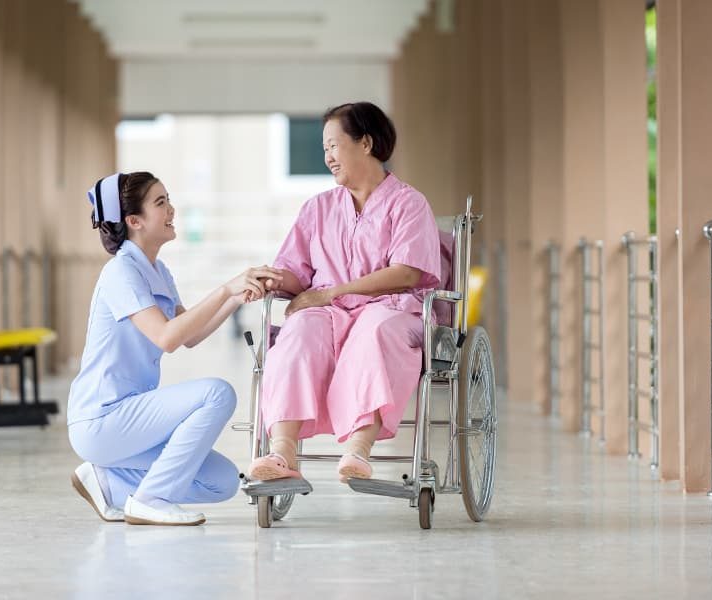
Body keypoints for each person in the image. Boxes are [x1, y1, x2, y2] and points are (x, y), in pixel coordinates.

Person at [68, 171, 281, 526]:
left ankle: (107, 483)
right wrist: (225, 288)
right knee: (216, 394)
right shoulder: (121, 271)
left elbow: (190, 335)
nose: (172, 210)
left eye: (168, 200)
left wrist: (238, 296)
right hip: (103, 418)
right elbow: (166, 337)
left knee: (221, 482)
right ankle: (151, 500)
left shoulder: (157, 270)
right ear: (134, 221)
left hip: (129, 418)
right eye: (161, 203)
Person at [246, 102, 443, 484]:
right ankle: (282, 451)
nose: (328, 158)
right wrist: (274, 279)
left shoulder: (409, 203)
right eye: (325, 149)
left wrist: (333, 291)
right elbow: (297, 273)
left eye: (333, 146)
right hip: (329, 310)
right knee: (299, 332)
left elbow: (405, 272)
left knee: (374, 330)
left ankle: (358, 449)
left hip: (391, 307)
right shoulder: (317, 208)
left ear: (366, 143)